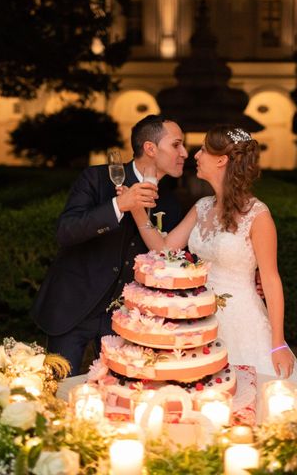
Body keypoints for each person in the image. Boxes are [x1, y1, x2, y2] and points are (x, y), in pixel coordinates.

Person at [124, 125, 297, 384]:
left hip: (243, 322)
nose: (195, 155)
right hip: (200, 318)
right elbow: (164, 250)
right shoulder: (201, 207)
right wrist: (136, 211)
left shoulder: (257, 216)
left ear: (222, 160)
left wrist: (277, 343)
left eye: (202, 150)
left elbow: (270, 280)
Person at [31, 115, 187, 376]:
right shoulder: (97, 178)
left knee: (118, 397)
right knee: (55, 390)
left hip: (125, 318)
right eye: (177, 145)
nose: (184, 153)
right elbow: (65, 232)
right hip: (74, 309)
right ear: (150, 148)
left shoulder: (170, 203)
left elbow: (170, 261)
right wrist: (118, 206)